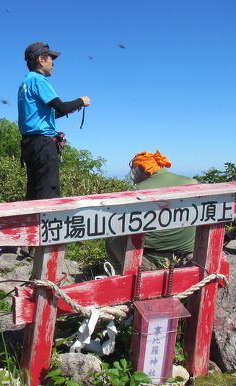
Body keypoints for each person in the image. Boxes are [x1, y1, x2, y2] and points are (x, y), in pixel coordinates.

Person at [17, 42, 90, 200]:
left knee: (34, 190)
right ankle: (47, 224)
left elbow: (46, 114)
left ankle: (31, 223)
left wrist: (69, 108)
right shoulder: (39, 80)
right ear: (41, 60)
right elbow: (61, 107)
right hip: (43, 144)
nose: (53, 63)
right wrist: (81, 101)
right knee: (48, 192)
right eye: (51, 58)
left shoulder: (25, 82)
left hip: (29, 144)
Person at [106, 150, 199, 273]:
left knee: (112, 237)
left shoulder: (137, 190)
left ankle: (123, 274)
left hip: (150, 257)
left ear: (141, 171)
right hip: (188, 253)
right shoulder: (191, 182)